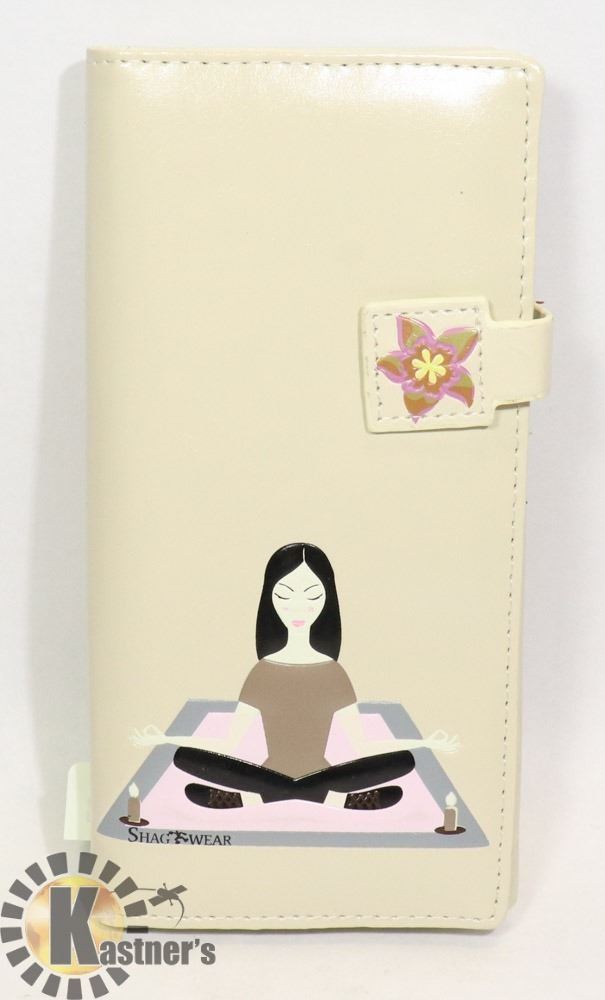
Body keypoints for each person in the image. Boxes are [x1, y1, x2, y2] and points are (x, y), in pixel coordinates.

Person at [131, 542, 459, 811]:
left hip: (322, 774)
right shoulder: (262, 672)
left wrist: (423, 744)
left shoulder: (334, 673)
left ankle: (260, 797)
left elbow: (361, 744)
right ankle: (326, 798)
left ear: (327, 600)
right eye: (285, 596)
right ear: (269, 598)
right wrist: (167, 740)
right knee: (184, 757)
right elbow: (230, 743)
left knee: (404, 761)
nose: (298, 608)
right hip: (267, 773)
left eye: (312, 596)